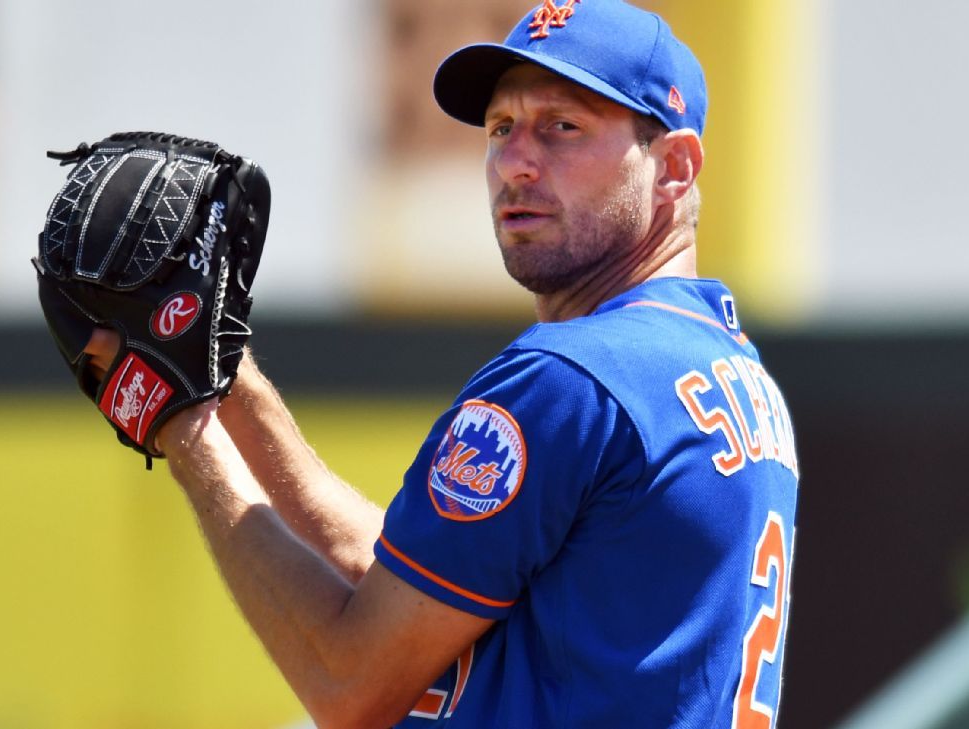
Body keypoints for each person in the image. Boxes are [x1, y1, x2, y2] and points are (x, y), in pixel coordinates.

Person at [84, 1, 799, 726]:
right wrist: (225, 370)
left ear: (674, 166)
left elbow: (348, 680)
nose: (516, 162)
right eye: (501, 128)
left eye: (563, 126)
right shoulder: (727, 373)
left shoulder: (574, 379)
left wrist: (183, 426)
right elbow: (402, 578)